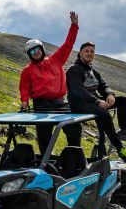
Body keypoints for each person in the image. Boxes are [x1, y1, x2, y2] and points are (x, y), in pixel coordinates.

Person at [18, 11, 80, 154]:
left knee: (74, 127)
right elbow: (24, 88)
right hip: (41, 105)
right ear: (29, 55)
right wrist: (24, 101)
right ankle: (46, 162)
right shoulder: (27, 71)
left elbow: (68, 44)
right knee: (44, 135)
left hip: (61, 103)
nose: (35, 53)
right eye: (32, 52)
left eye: (37, 49)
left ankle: (74, 155)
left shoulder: (56, 59)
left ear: (42, 49)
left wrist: (74, 26)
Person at [65, 41, 126, 160]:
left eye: (92, 51)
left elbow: (103, 86)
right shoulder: (74, 70)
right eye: (86, 51)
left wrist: (110, 94)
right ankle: (120, 149)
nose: (89, 53)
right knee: (103, 112)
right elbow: (78, 91)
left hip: (93, 102)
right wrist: (97, 101)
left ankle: (125, 130)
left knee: (123, 100)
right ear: (80, 53)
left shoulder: (93, 71)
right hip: (79, 104)